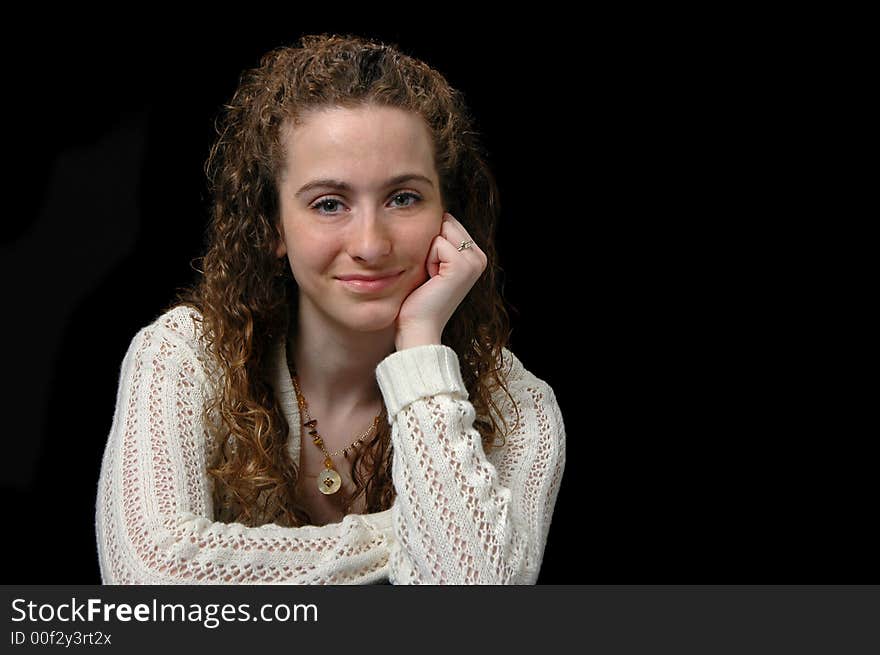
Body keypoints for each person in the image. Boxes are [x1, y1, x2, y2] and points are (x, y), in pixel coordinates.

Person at [95, 32, 566, 584]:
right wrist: (398, 541)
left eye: (403, 197)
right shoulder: (184, 356)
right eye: (329, 204)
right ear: (273, 226)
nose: (369, 244)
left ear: (449, 216)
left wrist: (419, 346)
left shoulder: (516, 406)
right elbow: (150, 583)